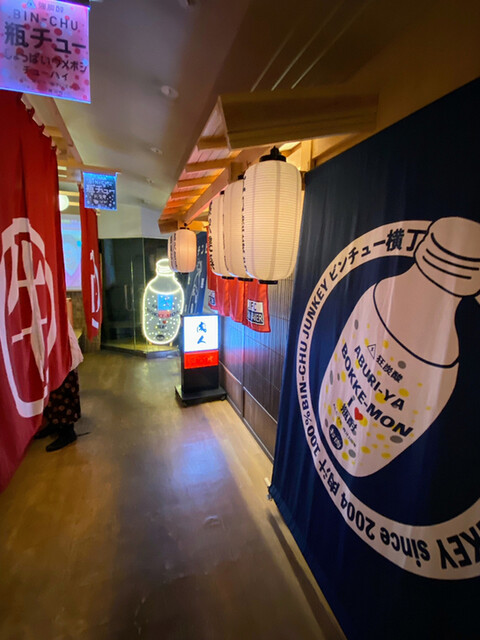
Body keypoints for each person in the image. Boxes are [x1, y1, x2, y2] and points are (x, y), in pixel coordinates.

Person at [34, 323, 84, 451]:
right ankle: (55, 423)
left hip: (60, 343)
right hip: (46, 340)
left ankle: (67, 432)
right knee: (49, 389)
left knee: (63, 388)